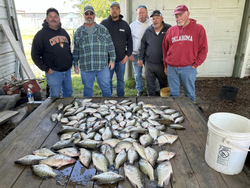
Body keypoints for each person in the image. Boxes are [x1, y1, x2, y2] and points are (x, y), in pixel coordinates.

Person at [163, 5, 208, 101]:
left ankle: (192, 115)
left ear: (188, 14)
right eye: (176, 16)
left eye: (181, 15)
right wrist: (166, 65)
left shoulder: (199, 29)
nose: (178, 18)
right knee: (174, 94)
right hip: (172, 67)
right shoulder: (171, 30)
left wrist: (196, 64)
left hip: (188, 67)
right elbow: (165, 49)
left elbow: (203, 49)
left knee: (190, 94)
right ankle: (175, 114)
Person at [73, 5, 116, 97]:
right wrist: (75, 64)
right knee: (87, 88)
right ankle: (88, 109)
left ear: (94, 15)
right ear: (83, 16)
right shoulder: (79, 32)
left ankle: (108, 107)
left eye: (91, 13)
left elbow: (110, 45)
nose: (89, 16)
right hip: (86, 67)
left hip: (102, 66)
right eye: (87, 14)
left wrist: (112, 60)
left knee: (106, 87)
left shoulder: (103, 29)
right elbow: (76, 50)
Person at [31, 8, 73, 98]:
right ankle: (54, 112)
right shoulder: (41, 35)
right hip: (54, 72)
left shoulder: (64, 32)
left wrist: (70, 61)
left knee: (68, 94)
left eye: (55, 17)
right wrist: (47, 69)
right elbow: (35, 55)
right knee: (55, 96)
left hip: (67, 71)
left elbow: (68, 49)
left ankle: (67, 111)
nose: (53, 19)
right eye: (51, 16)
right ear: (47, 19)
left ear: (59, 19)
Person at [100, 1, 133, 97]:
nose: (114, 10)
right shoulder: (103, 24)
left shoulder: (125, 24)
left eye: (116, 9)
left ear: (119, 11)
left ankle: (121, 98)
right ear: (110, 10)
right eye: (112, 8)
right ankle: (108, 100)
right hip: (107, 60)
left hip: (121, 59)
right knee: (107, 81)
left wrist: (127, 55)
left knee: (120, 80)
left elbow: (130, 41)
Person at [138, 10, 171, 96]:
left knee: (164, 86)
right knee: (150, 86)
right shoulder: (148, 30)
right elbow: (143, 45)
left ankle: (165, 104)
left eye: (157, 18)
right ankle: (151, 103)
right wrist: (140, 58)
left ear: (162, 19)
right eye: (153, 19)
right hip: (150, 64)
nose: (155, 20)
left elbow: (173, 46)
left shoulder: (169, 29)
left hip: (162, 65)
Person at [129, 5, 159, 97]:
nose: (141, 15)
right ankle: (140, 90)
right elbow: (128, 40)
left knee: (153, 73)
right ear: (137, 14)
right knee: (138, 74)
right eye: (139, 13)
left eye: (143, 13)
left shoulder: (152, 24)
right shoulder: (132, 26)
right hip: (137, 54)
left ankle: (156, 89)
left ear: (146, 13)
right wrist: (130, 53)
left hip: (149, 55)